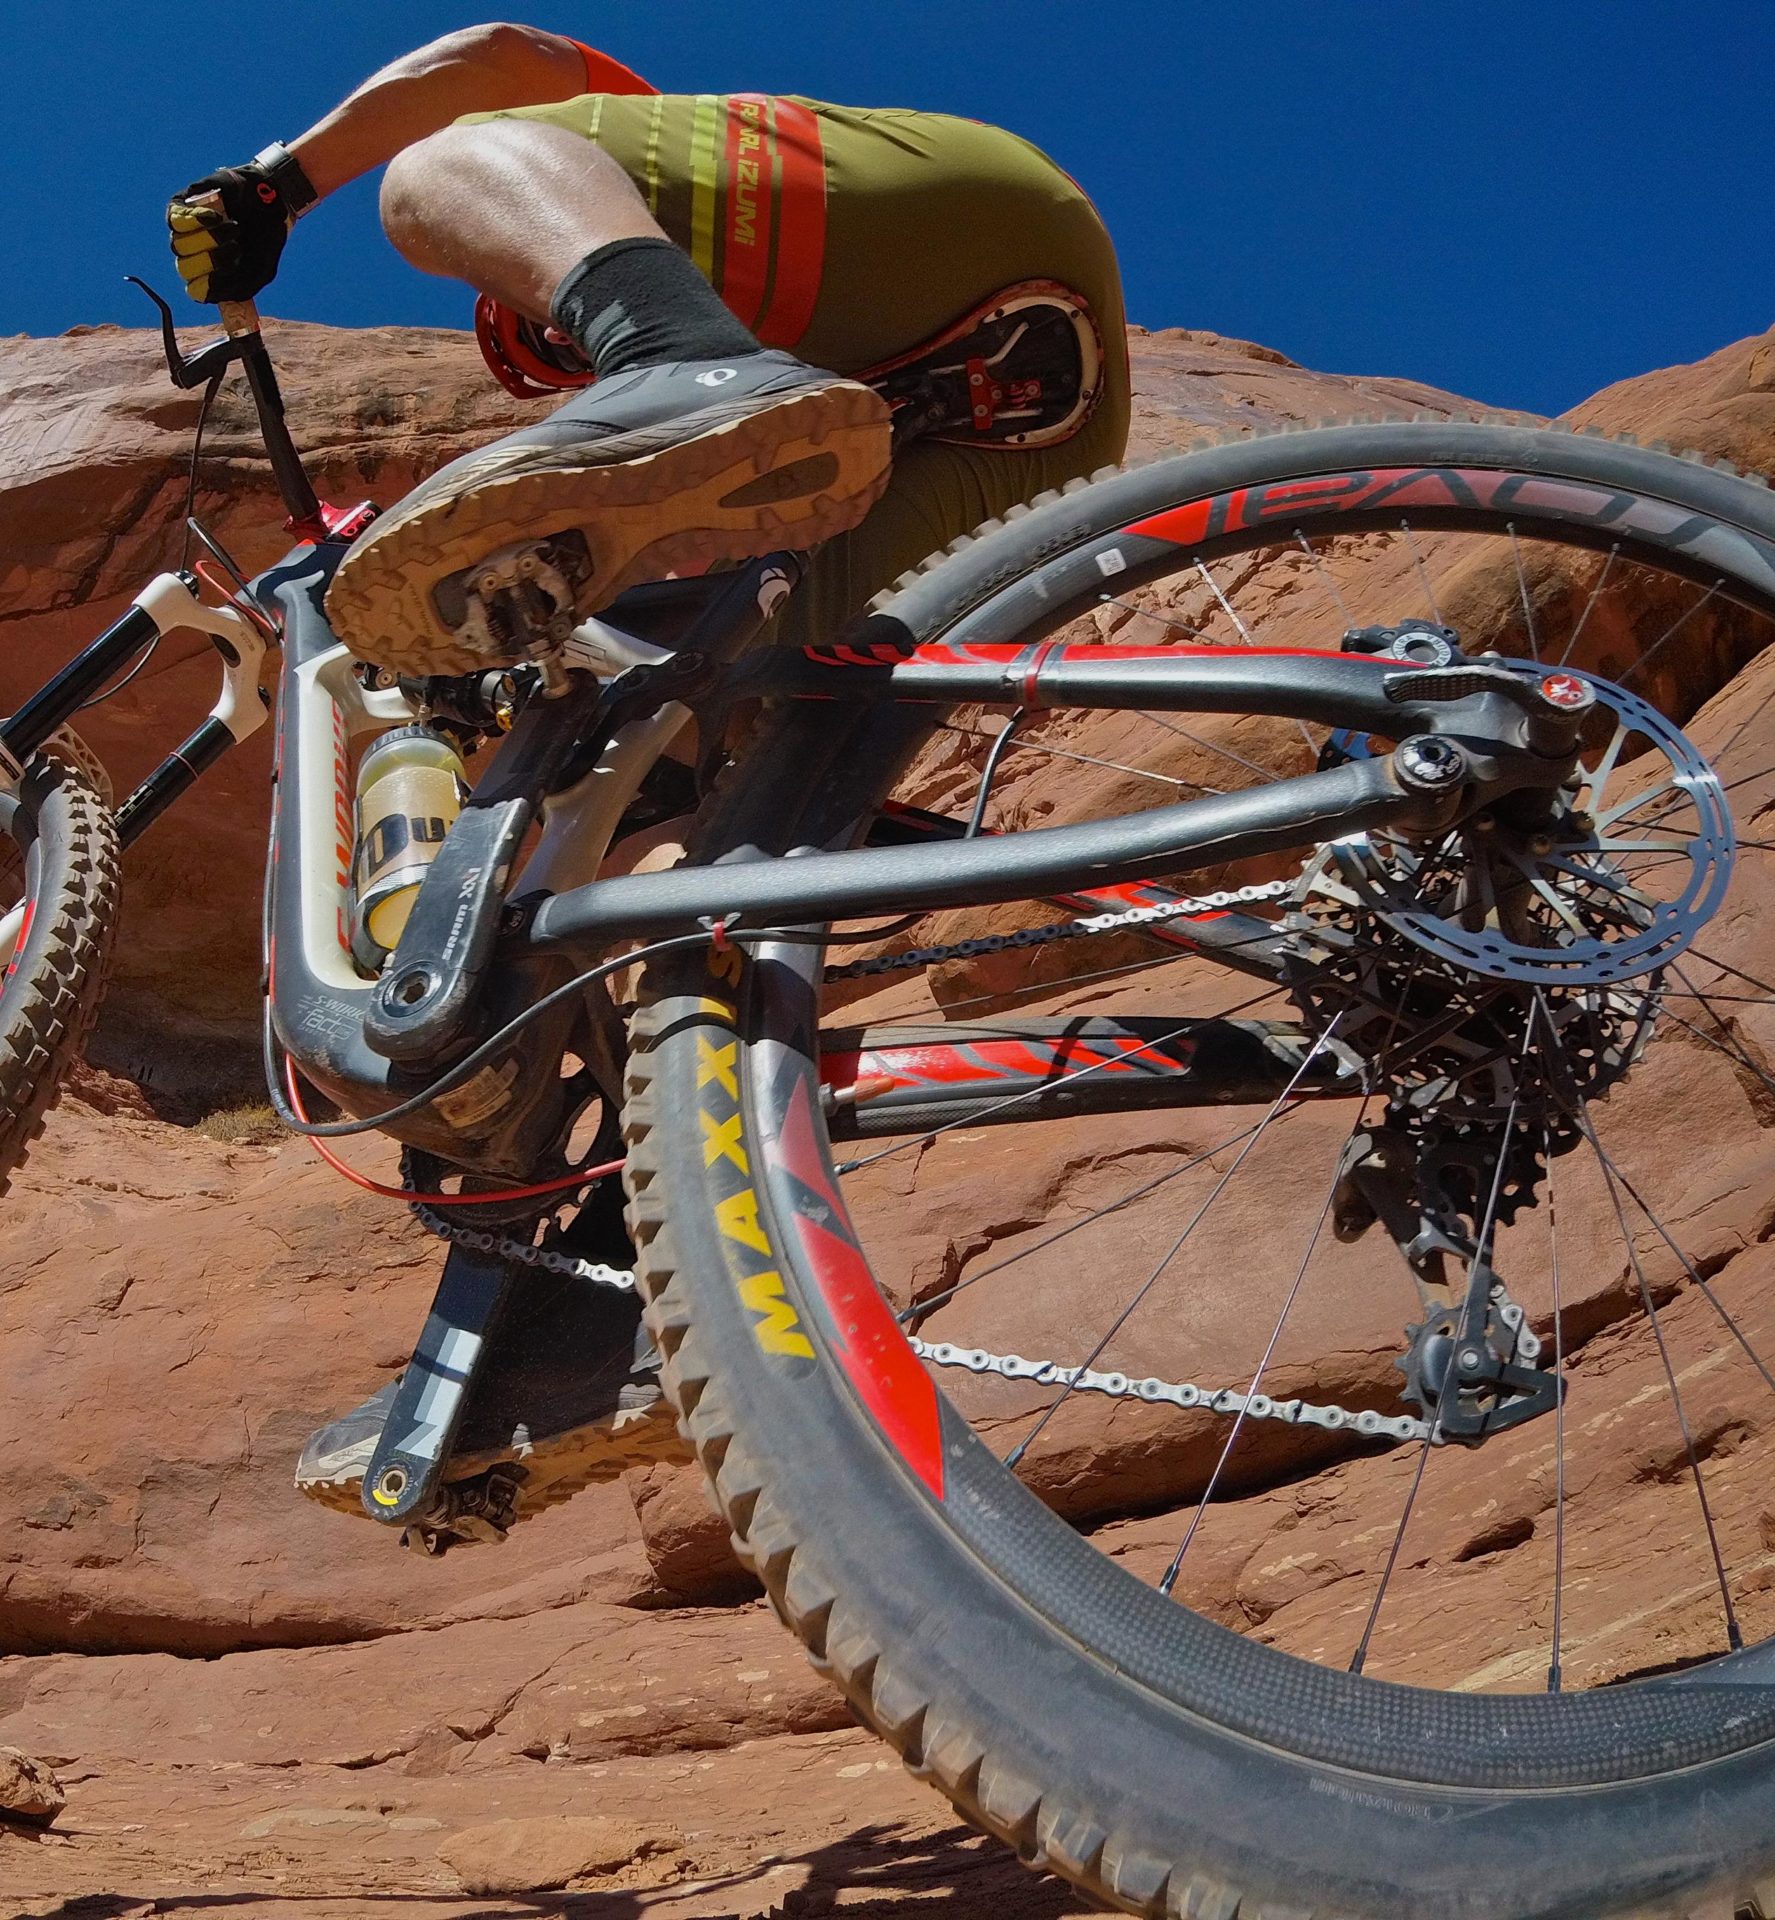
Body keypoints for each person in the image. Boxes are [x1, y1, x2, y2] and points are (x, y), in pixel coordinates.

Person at [167, 25, 1130, 1523]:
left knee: (431, 179)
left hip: (967, 245)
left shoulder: (598, 129)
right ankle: (579, 1322)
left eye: (547, 337)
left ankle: (676, 362)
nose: (537, 350)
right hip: (991, 457)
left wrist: (280, 184)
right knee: (660, 856)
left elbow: (489, 55)